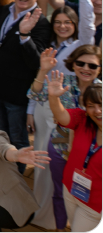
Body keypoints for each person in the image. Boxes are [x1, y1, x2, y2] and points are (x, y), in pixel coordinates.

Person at [28, 45, 101, 230]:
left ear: (99, 68)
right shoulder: (62, 82)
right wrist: (43, 70)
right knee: (61, 191)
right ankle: (60, 228)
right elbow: (35, 95)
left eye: (92, 66)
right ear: (73, 64)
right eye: (80, 63)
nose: (86, 68)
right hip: (60, 147)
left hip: (91, 153)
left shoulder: (101, 90)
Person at [0, 0, 51, 173]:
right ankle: (3, 173)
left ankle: (17, 178)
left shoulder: (42, 23)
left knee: (18, 140)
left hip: (18, 95)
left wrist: (25, 36)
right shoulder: (5, 9)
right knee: (1, 135)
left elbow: (36, 62)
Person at [46, 73, 102, 231]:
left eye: (101, 104)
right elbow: (61, 115)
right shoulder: (83, 119)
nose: (97, 111)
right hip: (70, 189)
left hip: (94, 205)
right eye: (91, 106)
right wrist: (53, 97)